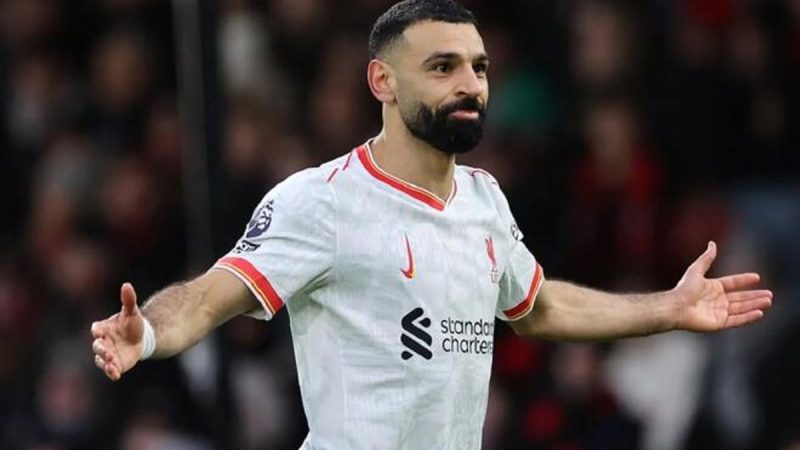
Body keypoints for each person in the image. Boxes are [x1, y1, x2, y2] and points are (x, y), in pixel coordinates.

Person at [90, 1, 773, 448]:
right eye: (443, 67)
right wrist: (146, 333)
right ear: (382, 82)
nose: (470, 85)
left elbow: (539, 306)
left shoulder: (485, 199)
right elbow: (209, 296)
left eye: (478, 67)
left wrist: (668, 308)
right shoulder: (320, 201)